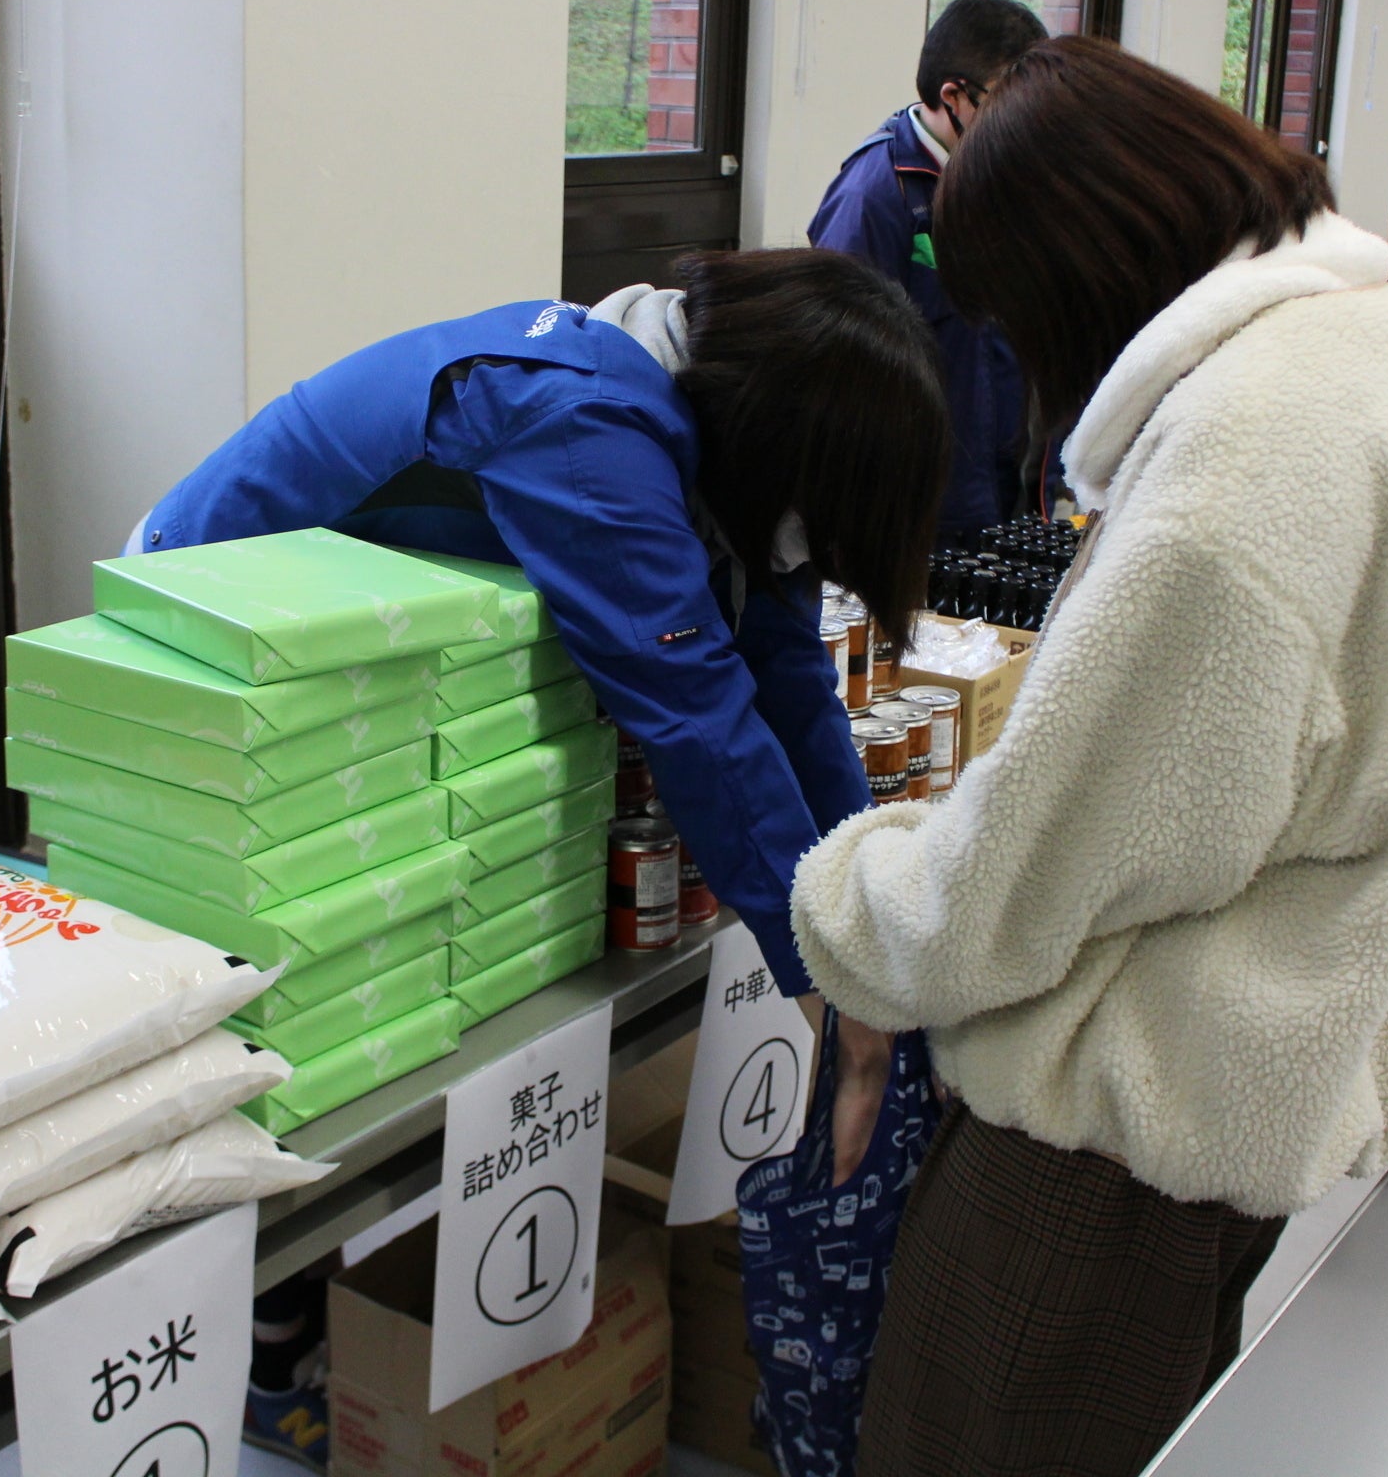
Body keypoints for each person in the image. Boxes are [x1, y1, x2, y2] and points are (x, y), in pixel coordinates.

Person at [789, 38, 1388, 1477]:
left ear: (1079, 272)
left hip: (1113, 1148)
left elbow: (1033, 871)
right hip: (1271, 1071)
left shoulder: (1240, 461)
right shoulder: (1386, 334)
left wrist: (847, 904)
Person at [133, 249, 946, 999]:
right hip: (201, 613)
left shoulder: (728, 424)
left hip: (362, 649)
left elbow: (790, 675)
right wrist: (824, 978)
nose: (813, 554)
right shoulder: (586, 425)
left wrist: (873, 897)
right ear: (779, 443)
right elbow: (700, 714)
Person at [808, 0, 1048, 538]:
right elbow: (836, 373)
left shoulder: (1004, 177)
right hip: (919, 505)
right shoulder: (874, 196)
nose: (1026, 122)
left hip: (1002, 487)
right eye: (1009, 103)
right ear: (953, 96)